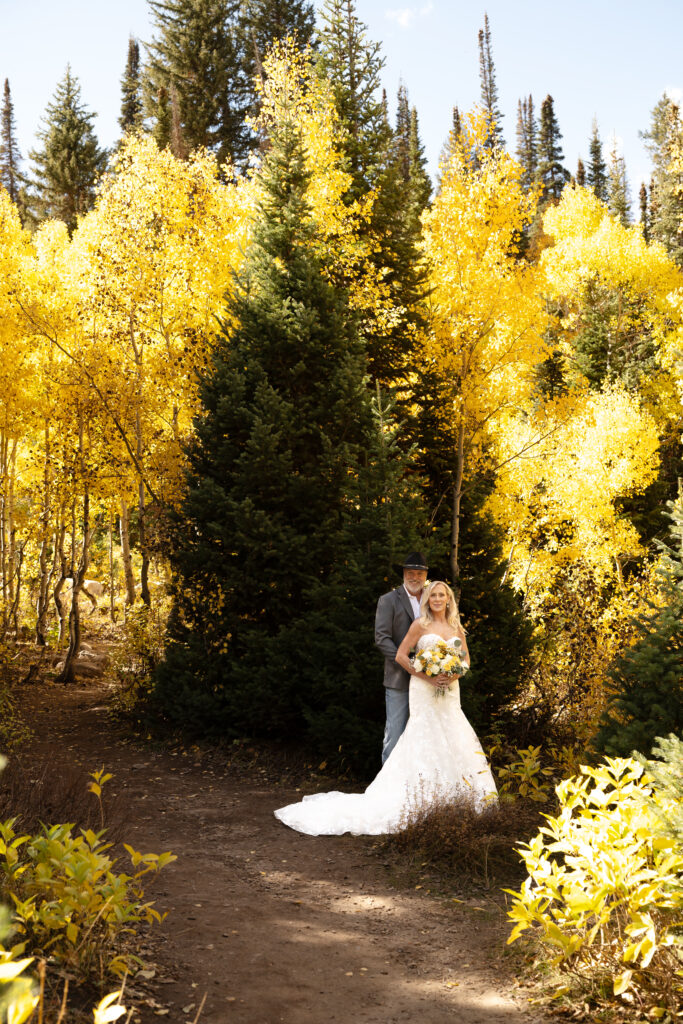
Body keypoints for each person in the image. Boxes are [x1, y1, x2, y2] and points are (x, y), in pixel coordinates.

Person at [274, 580, 498, 836]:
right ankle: (419, 800)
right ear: (428, 599)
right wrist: (428, 675)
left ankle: (456, 800)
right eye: (433, 595)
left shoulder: (456, 626)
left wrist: (454, 674)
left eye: (441, 595)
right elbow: (402, 655)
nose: (437, 599)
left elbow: (466, 658)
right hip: (424, 688)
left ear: (448, 599)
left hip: (449, 691)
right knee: (423, 736)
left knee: (454, 734)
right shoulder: (420, 625)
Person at [374, 552, 428, 764]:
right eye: (410, 573)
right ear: (404, 574)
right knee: (394, 733)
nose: (415, 577)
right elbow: (381, 638)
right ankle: (387, 788)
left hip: (428, 679)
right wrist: (405, 661)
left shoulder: (433, 599)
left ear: (425, 576)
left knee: (424, 734)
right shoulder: (388, 600)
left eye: (419, 573)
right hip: (398, 677)